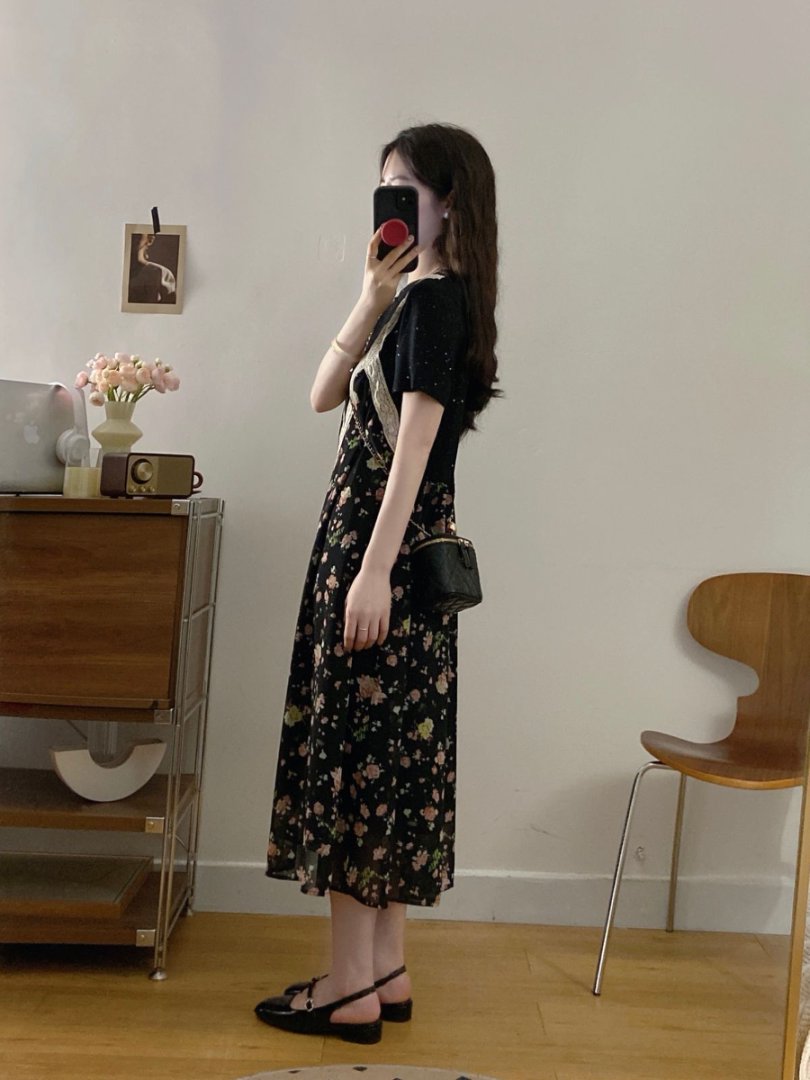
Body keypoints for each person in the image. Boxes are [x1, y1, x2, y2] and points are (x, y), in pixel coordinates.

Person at [255, 122, 500, 1045]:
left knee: (360, 765)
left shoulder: (438, 303)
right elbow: (322, 393)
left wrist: (370, 573)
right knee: (388, 763)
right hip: (380, 559)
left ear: (449, 201)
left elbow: (415, 454)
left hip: (376, 556)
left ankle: (348, 988)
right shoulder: (418, 298)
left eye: (406, 187)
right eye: (384, 187)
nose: (389, 203)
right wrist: (369, 295)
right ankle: (385, 971)